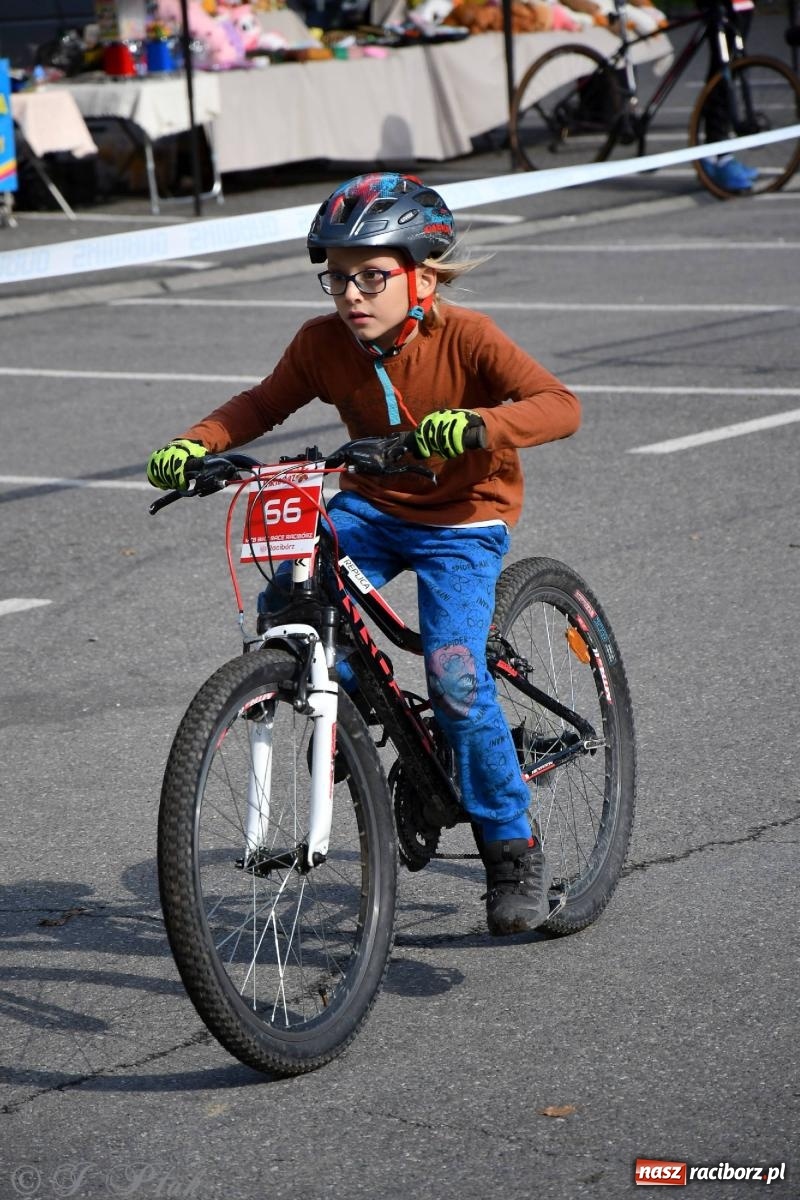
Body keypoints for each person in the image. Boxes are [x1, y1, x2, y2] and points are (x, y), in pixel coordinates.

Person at [146, 172, 581, 937]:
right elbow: (261, 402)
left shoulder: (467, 336)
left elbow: (559, 406)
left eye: (372, 276)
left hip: (463, 521)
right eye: (338, 277)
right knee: (288, 603)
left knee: (453, 672)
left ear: (423, 274)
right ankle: (351, 712)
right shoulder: (323, 344)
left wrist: (478, 426)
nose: (352, 294)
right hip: (373, 508)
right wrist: (197, 443)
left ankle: (512, 849)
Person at [700, 0, 758, 191]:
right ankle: (717, 154)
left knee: (731, 68)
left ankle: (717, 154)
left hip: (740, 5)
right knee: (722, 72)